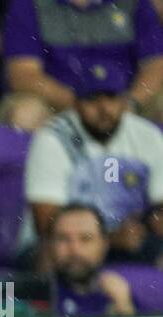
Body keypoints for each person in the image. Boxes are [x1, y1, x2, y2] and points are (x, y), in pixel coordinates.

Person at [24, 64, 163, 266]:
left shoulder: (148, 136)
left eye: (111, 98)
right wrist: (110, 239)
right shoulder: (52, 138)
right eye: (92, 99)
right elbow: (48, 225)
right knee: (53, 254)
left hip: (133, 240)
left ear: (124, 101)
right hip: (64, 244)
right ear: (76, 104)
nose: (104, 108)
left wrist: (153, 224)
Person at [3, 0, 163, 118]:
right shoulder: (29, 4)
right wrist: (82, 105)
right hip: (58, 105)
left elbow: (155, 64)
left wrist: (130, 103)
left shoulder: (135, 3)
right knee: (25, 114)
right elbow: (23, 75)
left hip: (126, 102)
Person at [47, 204, 135, 317]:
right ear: (50, 245)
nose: (74, 249)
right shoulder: (35, 299)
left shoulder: (120, 294)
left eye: (85, 239)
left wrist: (124, 308)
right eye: (63, 239)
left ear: (104, 244)